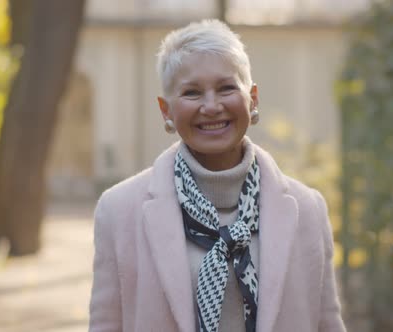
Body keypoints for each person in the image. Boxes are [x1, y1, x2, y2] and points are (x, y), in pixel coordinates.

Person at [89, 19, 346, 332]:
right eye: (192, 92)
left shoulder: (308, 210)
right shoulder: (119, 210)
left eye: (226, 88)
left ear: (252, 99)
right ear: (165, 110)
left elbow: (327, 324)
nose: (211, 106)